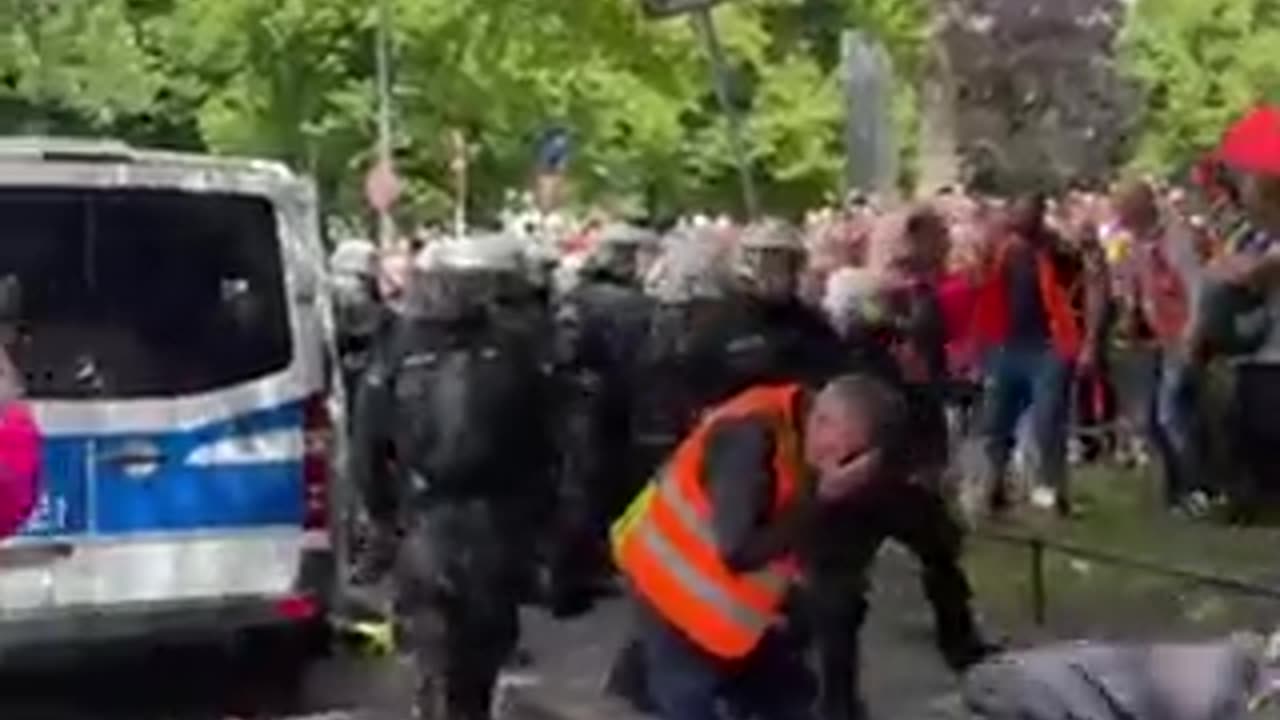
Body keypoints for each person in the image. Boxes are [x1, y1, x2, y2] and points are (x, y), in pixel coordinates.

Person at [612, 375, 909, 720]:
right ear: (824, 418)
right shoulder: (751, 439)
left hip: (723, 604)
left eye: (851, 455)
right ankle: (639, 681)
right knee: (690, 699)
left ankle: (635, 679)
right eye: (838, 446)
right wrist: (823, 497)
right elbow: (738, 550)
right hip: (670, 586)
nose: (838, 461)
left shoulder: (804, 432)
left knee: (789, 694)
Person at [348, 234, 553, 720]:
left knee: (439, 655)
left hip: (429, 518)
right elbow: (547, 440)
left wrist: (381, 519)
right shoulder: (516, 347)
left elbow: (366, 447)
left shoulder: (397, 349)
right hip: (494, 522)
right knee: (480, 654)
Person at [547, 223, 658, 617]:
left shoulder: (571, 296)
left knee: (579, 488)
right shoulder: (632, 305)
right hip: (607, 405)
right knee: (594, 488)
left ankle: (579, 570)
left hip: (574, 403)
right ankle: (579, 574)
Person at [973, 193, 1106, 516]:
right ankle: (995, 487)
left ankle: (1054, 490)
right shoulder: (1002, 248)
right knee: (996, 421)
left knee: (1048, 420)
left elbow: (1094, 283)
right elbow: (981, 288)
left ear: (1039, 217)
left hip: (1050, 345)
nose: (1019, 225)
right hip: (1006, 345)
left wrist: (1090, 340)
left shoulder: (1060, 250)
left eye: (1026, 217)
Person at [1112, 180, 1212, 512]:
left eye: (1124, 210)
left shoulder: (1176, 238)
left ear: (1141, 207)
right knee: (1151, 420)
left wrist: (1193, 336)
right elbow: (1139, 287)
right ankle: (1176, 489)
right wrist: (1131, 313)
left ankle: (1198, 487)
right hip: (1156, 338)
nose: (1119, 217)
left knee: (1172, 414)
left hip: (1183, 335)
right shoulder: (1138, 243)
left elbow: (1196, 287)